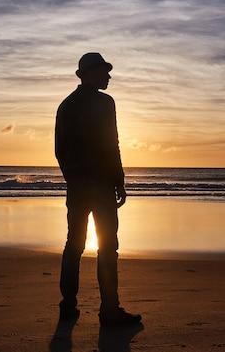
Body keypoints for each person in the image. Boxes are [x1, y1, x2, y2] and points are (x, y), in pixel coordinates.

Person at [55, 52, 142, 327]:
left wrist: (72, 177)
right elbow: (111, 144)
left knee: (74, 245)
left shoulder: (66, 105)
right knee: (107, 247)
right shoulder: (105, 103)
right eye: (104, 71)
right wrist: (119, 180)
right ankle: (109, 311)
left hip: (78, 185)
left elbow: (60, 150)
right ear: (90, 74)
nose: (109, 76)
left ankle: (68, 306)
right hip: (101, 184)